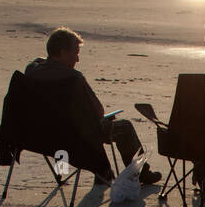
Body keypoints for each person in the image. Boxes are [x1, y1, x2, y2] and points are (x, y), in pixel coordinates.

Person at [25, 27, 161, 186]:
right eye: (75, 53)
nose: (77, 59)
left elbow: (38, 62)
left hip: (39, 134)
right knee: (124, 127)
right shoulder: (73, 79)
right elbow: (98, 111)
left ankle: (94, 171)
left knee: (68, 124)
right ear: (62, 53)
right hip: (76, 137)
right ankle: (140, 174)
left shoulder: (31, 72)